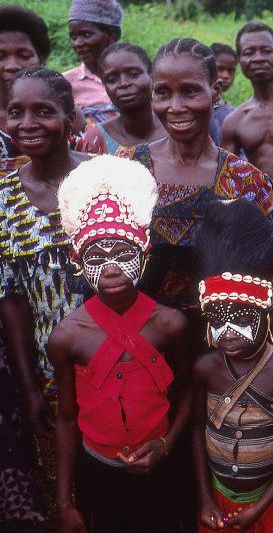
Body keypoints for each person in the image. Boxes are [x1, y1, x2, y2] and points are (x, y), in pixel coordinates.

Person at [50, 155, 192, 533]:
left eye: (122, 254)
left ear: (144, 256)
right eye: (97, 257)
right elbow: (66, 417)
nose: (111, 267)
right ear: (78, 262)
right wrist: (65, 501)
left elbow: (187, 392)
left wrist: (166, 443)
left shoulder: (170, 324)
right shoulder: (68, 336)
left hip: (163, 466)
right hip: (98, 471)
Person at [120, 38, 273, 319]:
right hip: (139, 340)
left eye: (190, 92)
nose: (175, 106)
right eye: (163, 93)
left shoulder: (248, 183)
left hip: (225, 343)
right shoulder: (124, 170)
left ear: (216, 93)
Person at [0, 68, 91, 515]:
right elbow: (10, 297)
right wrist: (29, 382)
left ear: (71, 119)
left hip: (114, 359)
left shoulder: (106, 179)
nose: (28, 123)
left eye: (44, 111)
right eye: (16, 112)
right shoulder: (3, 192)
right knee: (67, 490)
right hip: (50, 369)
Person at [193, 198, 273, 532]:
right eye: (217, 321)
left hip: (270, 500)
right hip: (218, 499)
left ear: (266, 313)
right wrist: (204, 498)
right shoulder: (205, 368)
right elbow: (195, 429)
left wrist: (262, 506)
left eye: (241, 320)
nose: (227, 332)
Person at [221, 22, 273, 195]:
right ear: (240, 60)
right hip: (262, 215)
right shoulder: (235, 120)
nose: (258, 58)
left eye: (266, 50)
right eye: (249, 52)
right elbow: (228, 184)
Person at [75, 43, 166, 155]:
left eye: (133, 74)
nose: (124, 83)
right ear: (105, 85)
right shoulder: (96, 139)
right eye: (112, 79)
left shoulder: (174, 128)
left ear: (151, 75)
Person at [0, 6, 50, 178]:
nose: (12, 65)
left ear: (40, 59)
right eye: (1, 56)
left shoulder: (67, 114)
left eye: (24, 55)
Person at [63, 0, 123, 124]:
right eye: (73, 37)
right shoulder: (65, 84)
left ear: (111, 35)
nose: (77, 43)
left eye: (86, 34)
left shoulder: (134, 77)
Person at [208, 42, 237, 147]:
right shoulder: (198, 108)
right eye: (220, 69)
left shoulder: (233, 112)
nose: (226, 75)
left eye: (231, 71)